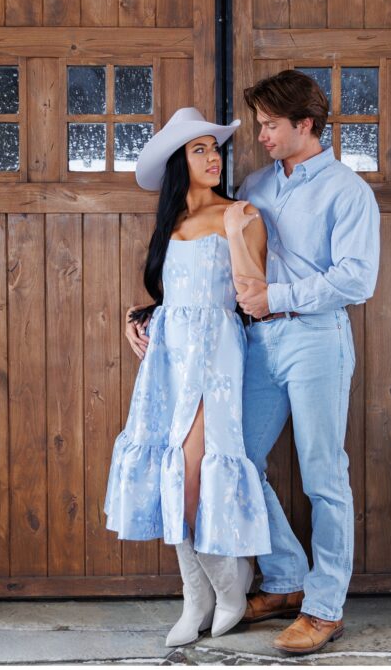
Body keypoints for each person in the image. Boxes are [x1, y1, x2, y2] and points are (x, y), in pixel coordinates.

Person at [106, 107, 272, 647]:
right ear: (180, 162)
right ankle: (194, 597)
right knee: (169, 472)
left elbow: (253, 295)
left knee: (194, 478)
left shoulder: (241, 212)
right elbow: (174, 298)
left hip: (218, 359)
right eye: (199, 150)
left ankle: (228, 589)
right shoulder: (169, 225)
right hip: (170, 363)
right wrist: (140, 316)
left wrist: (234, 231)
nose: (212, 157)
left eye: (214, 148)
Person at [234, 69, 381, 654]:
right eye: (259, 124)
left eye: (271, 125)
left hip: (317, 338)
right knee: (239, 458)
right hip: (258, 342)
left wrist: (280, 298)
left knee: (324, 476)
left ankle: (324, 608)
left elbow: (356, 279)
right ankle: (288, 577)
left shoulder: (348, 191)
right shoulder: (252, 185)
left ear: (306, 125)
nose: (261, 134)